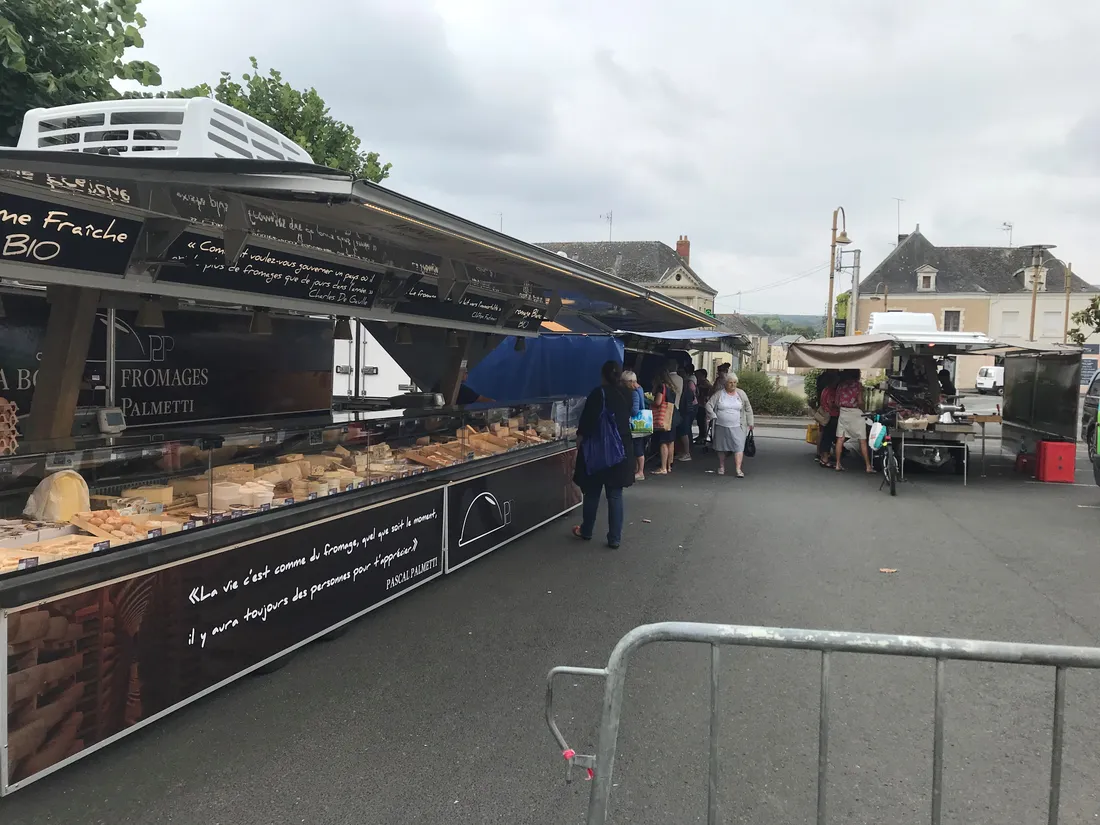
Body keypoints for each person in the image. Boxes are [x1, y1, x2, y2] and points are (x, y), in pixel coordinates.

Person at [572, 360, 634, 549]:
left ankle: (587, 530)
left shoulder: (598, 393)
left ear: (603, 375)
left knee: (592, 492)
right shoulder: (627, 393)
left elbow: (587, 421)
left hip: (599, 449)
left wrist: (580, 439)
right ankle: (614, 538)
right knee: (615, 494)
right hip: (621, 448)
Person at [705, 373, 754, 477]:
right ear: (725, 383)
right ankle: (721, 466)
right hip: (721, 425)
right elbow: (708, 405)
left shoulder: (741, 394)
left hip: (738, 425)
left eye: (735, 383)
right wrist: (713, 415)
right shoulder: (719, 394)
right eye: (730, 383)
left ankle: (738, 469)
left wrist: (751, 422)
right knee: (721, 447)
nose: (733, 385)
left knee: (739, 446)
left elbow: (748, 408)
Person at [834, 369, 873, 473]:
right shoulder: (857, 385)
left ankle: (837, 464)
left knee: (840, 438)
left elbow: (837, 402)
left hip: (843, 412)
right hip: (856, 413)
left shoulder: (841, 385)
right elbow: (860, 401)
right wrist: (864, 409)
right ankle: (868, 466)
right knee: (862, 439)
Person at [651, 367, 678, 475]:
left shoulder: (661, 387)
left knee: (663, 442)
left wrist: (650, 401)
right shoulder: (672, 387)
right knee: (670, 442)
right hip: (672, 415)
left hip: (663, 416)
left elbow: (658, 402)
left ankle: (663, 467)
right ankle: (669, 466)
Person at [622, 369, 648, 481]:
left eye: (624, 382)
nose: (623, 384)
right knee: (638, 446)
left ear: (630, 381)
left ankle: (640, 471)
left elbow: (635, 410)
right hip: (642, 421)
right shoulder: (640, 389)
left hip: (636, 422)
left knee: (637, 447)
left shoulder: (633, 393)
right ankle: (638, 469)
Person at [816, 370, 840, 467]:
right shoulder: (832, 391)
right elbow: (832, 404)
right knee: (829, 437)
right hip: (831, 416)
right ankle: (825, 458)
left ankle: (823, 456)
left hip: (825, 415)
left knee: (825, 436)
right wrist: (839, 406)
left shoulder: (825, 390)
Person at [675, 365, 697, 462]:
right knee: (684, 431)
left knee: (684, 431)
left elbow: (692, 395)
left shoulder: (687, 383)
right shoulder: (685, 383)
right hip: (688, 409)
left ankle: (687, 452)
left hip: (685, 410)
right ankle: (683, 452)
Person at [694, 368, 712, 445]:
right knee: (699, 421)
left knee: (702, 421)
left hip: (703, 405)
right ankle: (701, 435)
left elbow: (708, 394)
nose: (696, 376)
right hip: (700, 404)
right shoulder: (700, 383)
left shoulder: (706, 384)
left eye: (698, 375)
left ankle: (703, 437)